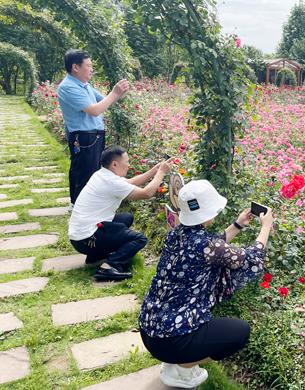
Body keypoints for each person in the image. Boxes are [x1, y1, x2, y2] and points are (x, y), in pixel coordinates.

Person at [138, 180, 274, 388]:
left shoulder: (175, 233)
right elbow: (252, 259)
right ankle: (182, 369)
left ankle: (175, 361)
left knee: (212, 329)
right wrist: (266, 227)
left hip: (149, 329)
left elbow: (212, 247)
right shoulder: (208, 246)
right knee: (240, 333)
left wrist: (237, 225)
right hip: (171, 340)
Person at [68, 145, 174, 281]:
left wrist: (155, 169)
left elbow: (131, 182)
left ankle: (95, 256)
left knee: (126, 218)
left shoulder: (101, 174)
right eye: (127, 162)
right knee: (139, 239)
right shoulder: (111, 182)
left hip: (80, 236)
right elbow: (146, 193)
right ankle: (109, 267)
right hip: (87, 239)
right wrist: (161, 173)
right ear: (115, 164)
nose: (129, 165)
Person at [57, 49, 130, 205]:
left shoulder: (84, 85)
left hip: (93, 136)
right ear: (75, 67)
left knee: (91, 172)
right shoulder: (68, 87)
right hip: (83, 137)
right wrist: (114, 92)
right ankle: (79, 205)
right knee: (84, 173)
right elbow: (95, 110)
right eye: (88, 65)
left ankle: (84, 204)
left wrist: (119, 93)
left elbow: (105, 101)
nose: (91, 69)